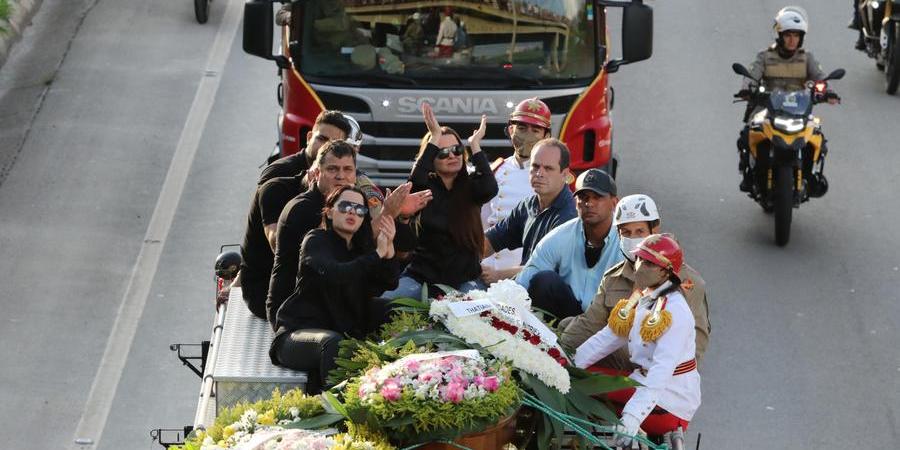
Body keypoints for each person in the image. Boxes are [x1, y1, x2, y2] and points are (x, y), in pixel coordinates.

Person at [270, 186, 401, 394]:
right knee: (334, 344)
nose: (352, 212)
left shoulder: (360, 248)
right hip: (298, 335)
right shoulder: (315, 241)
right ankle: (338, 410)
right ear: (330, 212)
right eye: (345, 206)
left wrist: (389, 250)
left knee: (397, 308)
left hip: (343, 331)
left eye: (359, 209)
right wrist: (377, 254)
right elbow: (337, 274)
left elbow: (388, 283)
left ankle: (401, 386)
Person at [560, 195, 711, 373]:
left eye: (640, 231)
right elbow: (590, 322)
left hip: (660, 365)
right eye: (626, 233)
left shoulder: (685, 280)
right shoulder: (613, 277)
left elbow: (696, 343)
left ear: (654, 231)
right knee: (567, 327)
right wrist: (554, 351)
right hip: (624, 354)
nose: (633, 239)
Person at [574, 234, 700, 445]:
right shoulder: (644, 297)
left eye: (649, 263)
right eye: (639, 259)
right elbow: (609, 337)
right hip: (642, 384)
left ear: (665, 271)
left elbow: (660, 372)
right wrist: (569, 365)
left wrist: (632, 417)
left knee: (584, 385)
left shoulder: (675, 311)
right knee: (578, 378)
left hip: (669, 402)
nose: (639, 266)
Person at [382, 103, 498, 299]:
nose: (452, 155)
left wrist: (475, 145)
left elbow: (490, 188)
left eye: (456, 150)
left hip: (464, 279)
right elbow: (415, 180)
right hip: (422, 277)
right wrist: (434, 137)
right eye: (442, 152)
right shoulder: (425, 187)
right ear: (431, 159)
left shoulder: (471, 186)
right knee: (385, 303)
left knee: (476, 318)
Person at [737, 6, 837, 192]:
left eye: (796, 36)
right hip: (767, 108)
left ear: (801, 37)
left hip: (798, 111)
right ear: (780, 35)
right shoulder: (765, 56)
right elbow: (750, 77)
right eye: (788, 35)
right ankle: (750, 175)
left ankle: (811, 176)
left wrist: (827, 92)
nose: (792, 40)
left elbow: (820, 78)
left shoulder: (807, 58)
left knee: (818, 138)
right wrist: (747, 90)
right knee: (746, 136)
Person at [516, 169, 621, 320]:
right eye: (583, 197)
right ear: (575, 202)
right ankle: (550, 339)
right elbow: (525, 281)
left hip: (608, 320)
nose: (589, 203)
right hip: (568, 317)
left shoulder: (625, 238)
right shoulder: (561, 236)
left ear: (614, 202)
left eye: (597, 197)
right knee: (544, 280)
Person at [481, 138, 576, 284]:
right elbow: (492, 240)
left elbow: (545, 268)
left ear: (564, 174)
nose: (539, 173)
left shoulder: (569, 215)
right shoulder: (528, 205)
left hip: (550, 299)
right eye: (535, 166)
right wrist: (465, 255)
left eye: (548, 168)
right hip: (523, 291)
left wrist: (498, 275)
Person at [481, 98, 553, 275]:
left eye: (535, 130)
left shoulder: (553, 178)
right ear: (511, 129)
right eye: (521, 128)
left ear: (546, 136)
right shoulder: (496, 169)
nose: (527, 135)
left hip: (523, 268)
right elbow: (481, 219)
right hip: (486, 264)